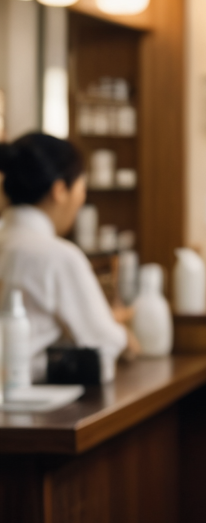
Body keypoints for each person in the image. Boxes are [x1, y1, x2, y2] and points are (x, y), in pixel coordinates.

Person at [0, 133, 132, 383]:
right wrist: (125, 335)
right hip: (30, 403)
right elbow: (105, 342)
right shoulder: (57, 256)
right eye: (82, 188)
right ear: (60, 190)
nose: (81, 201)